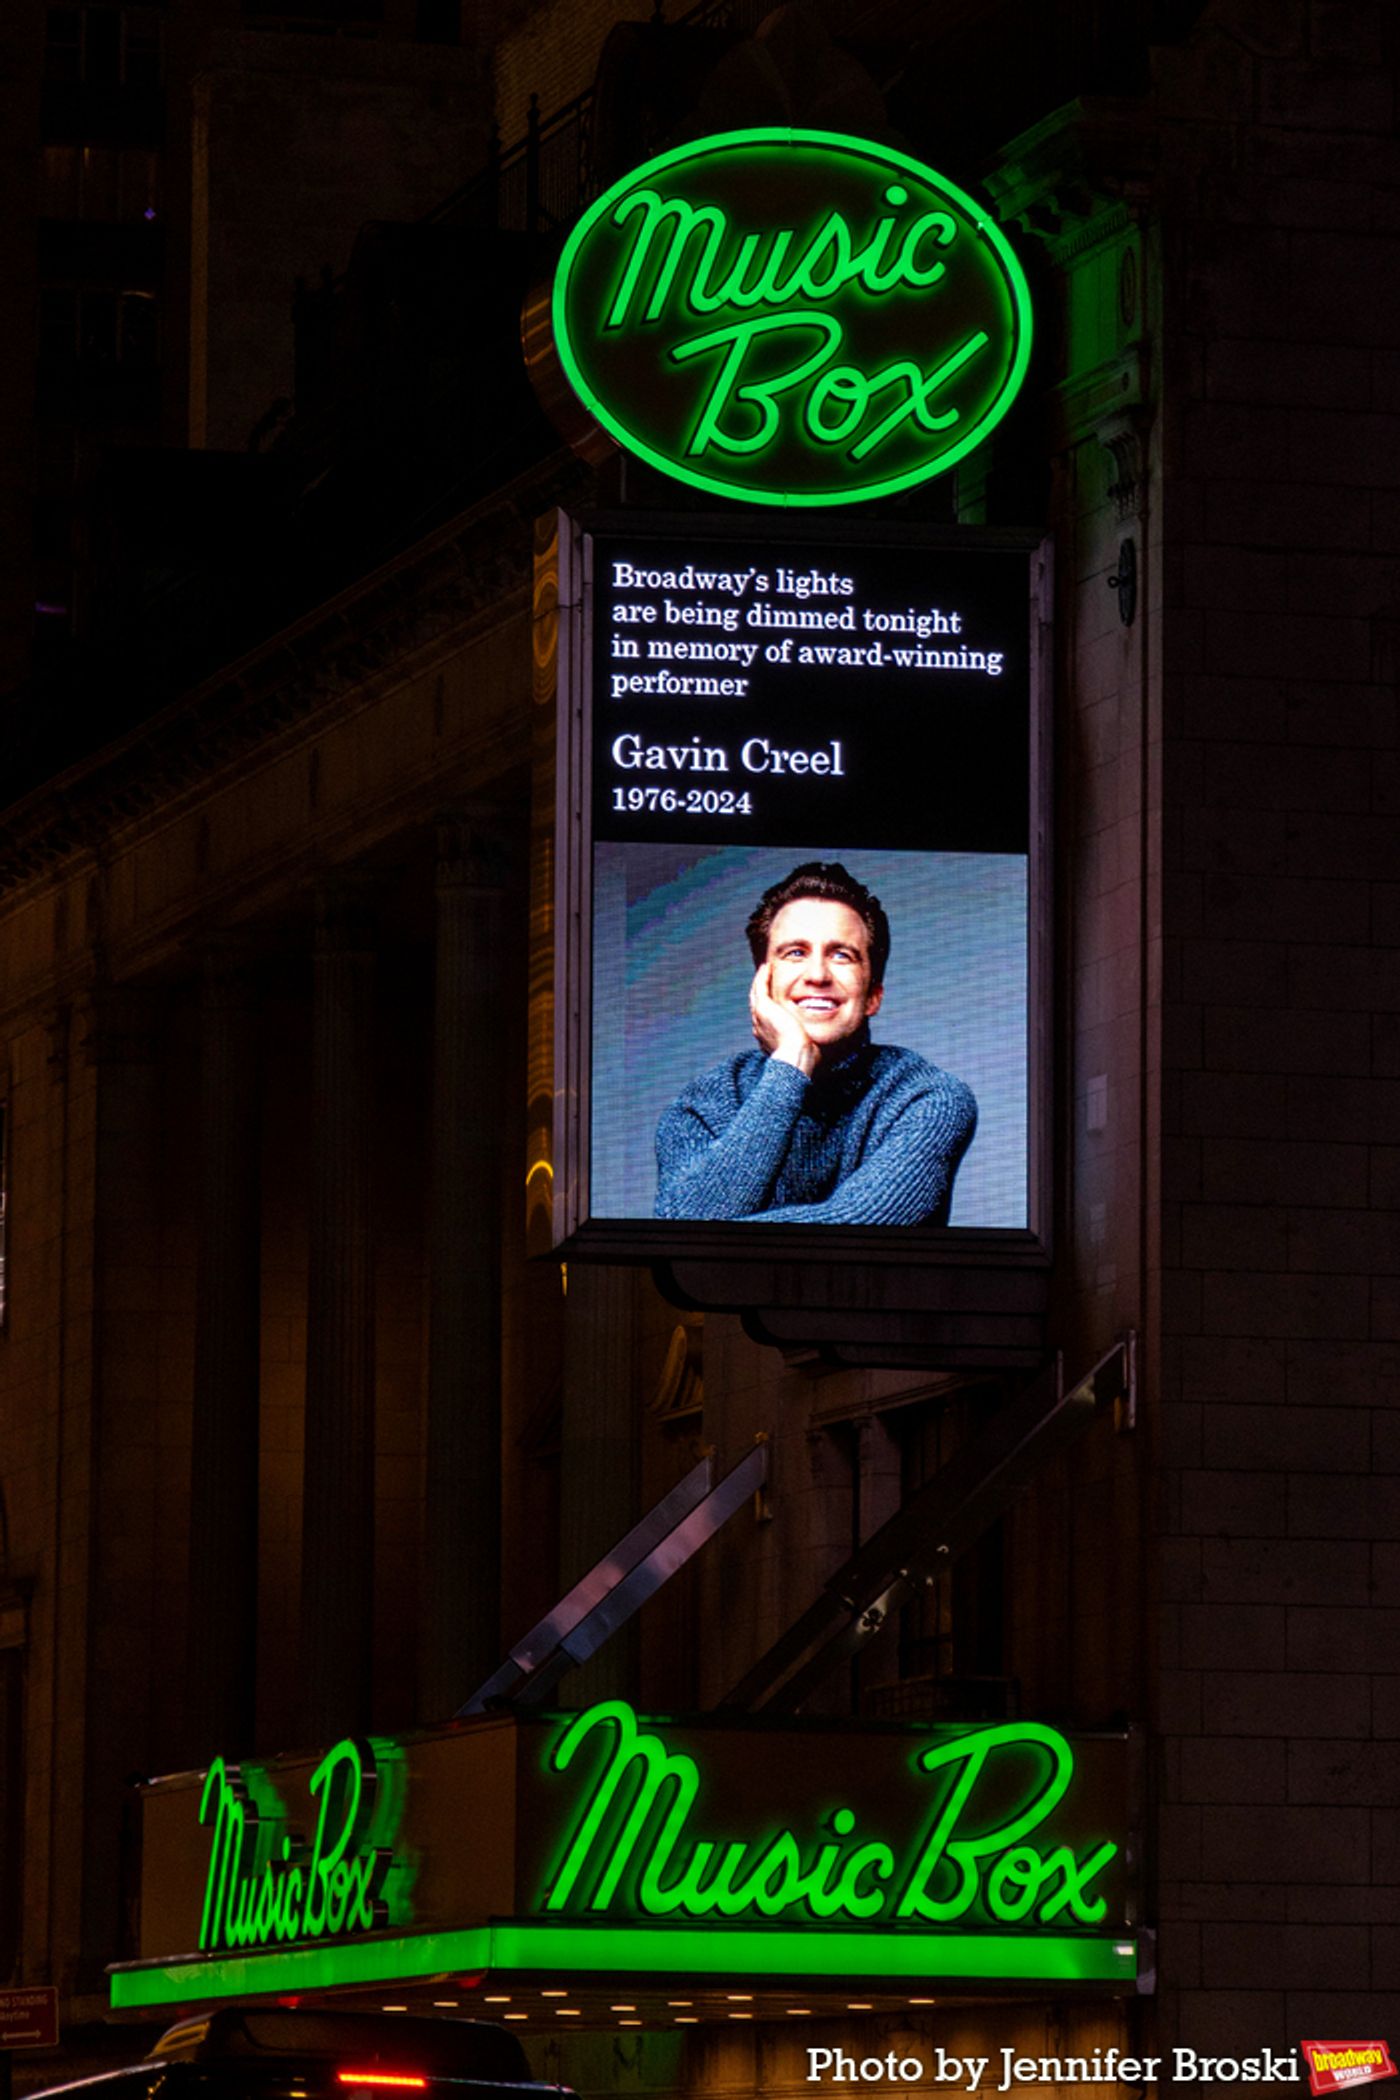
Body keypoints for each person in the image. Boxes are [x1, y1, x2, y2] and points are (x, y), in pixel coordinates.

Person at [654, 861, 976, 1224]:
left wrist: (720, 1243)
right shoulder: (705, 1104)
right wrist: (790, 1065)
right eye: (795, 953)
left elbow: (859, 1234)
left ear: (873, 995)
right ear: (763, 985)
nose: (818, 975)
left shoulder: (929, 1098)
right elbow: (683, 1232)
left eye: (842, 955)